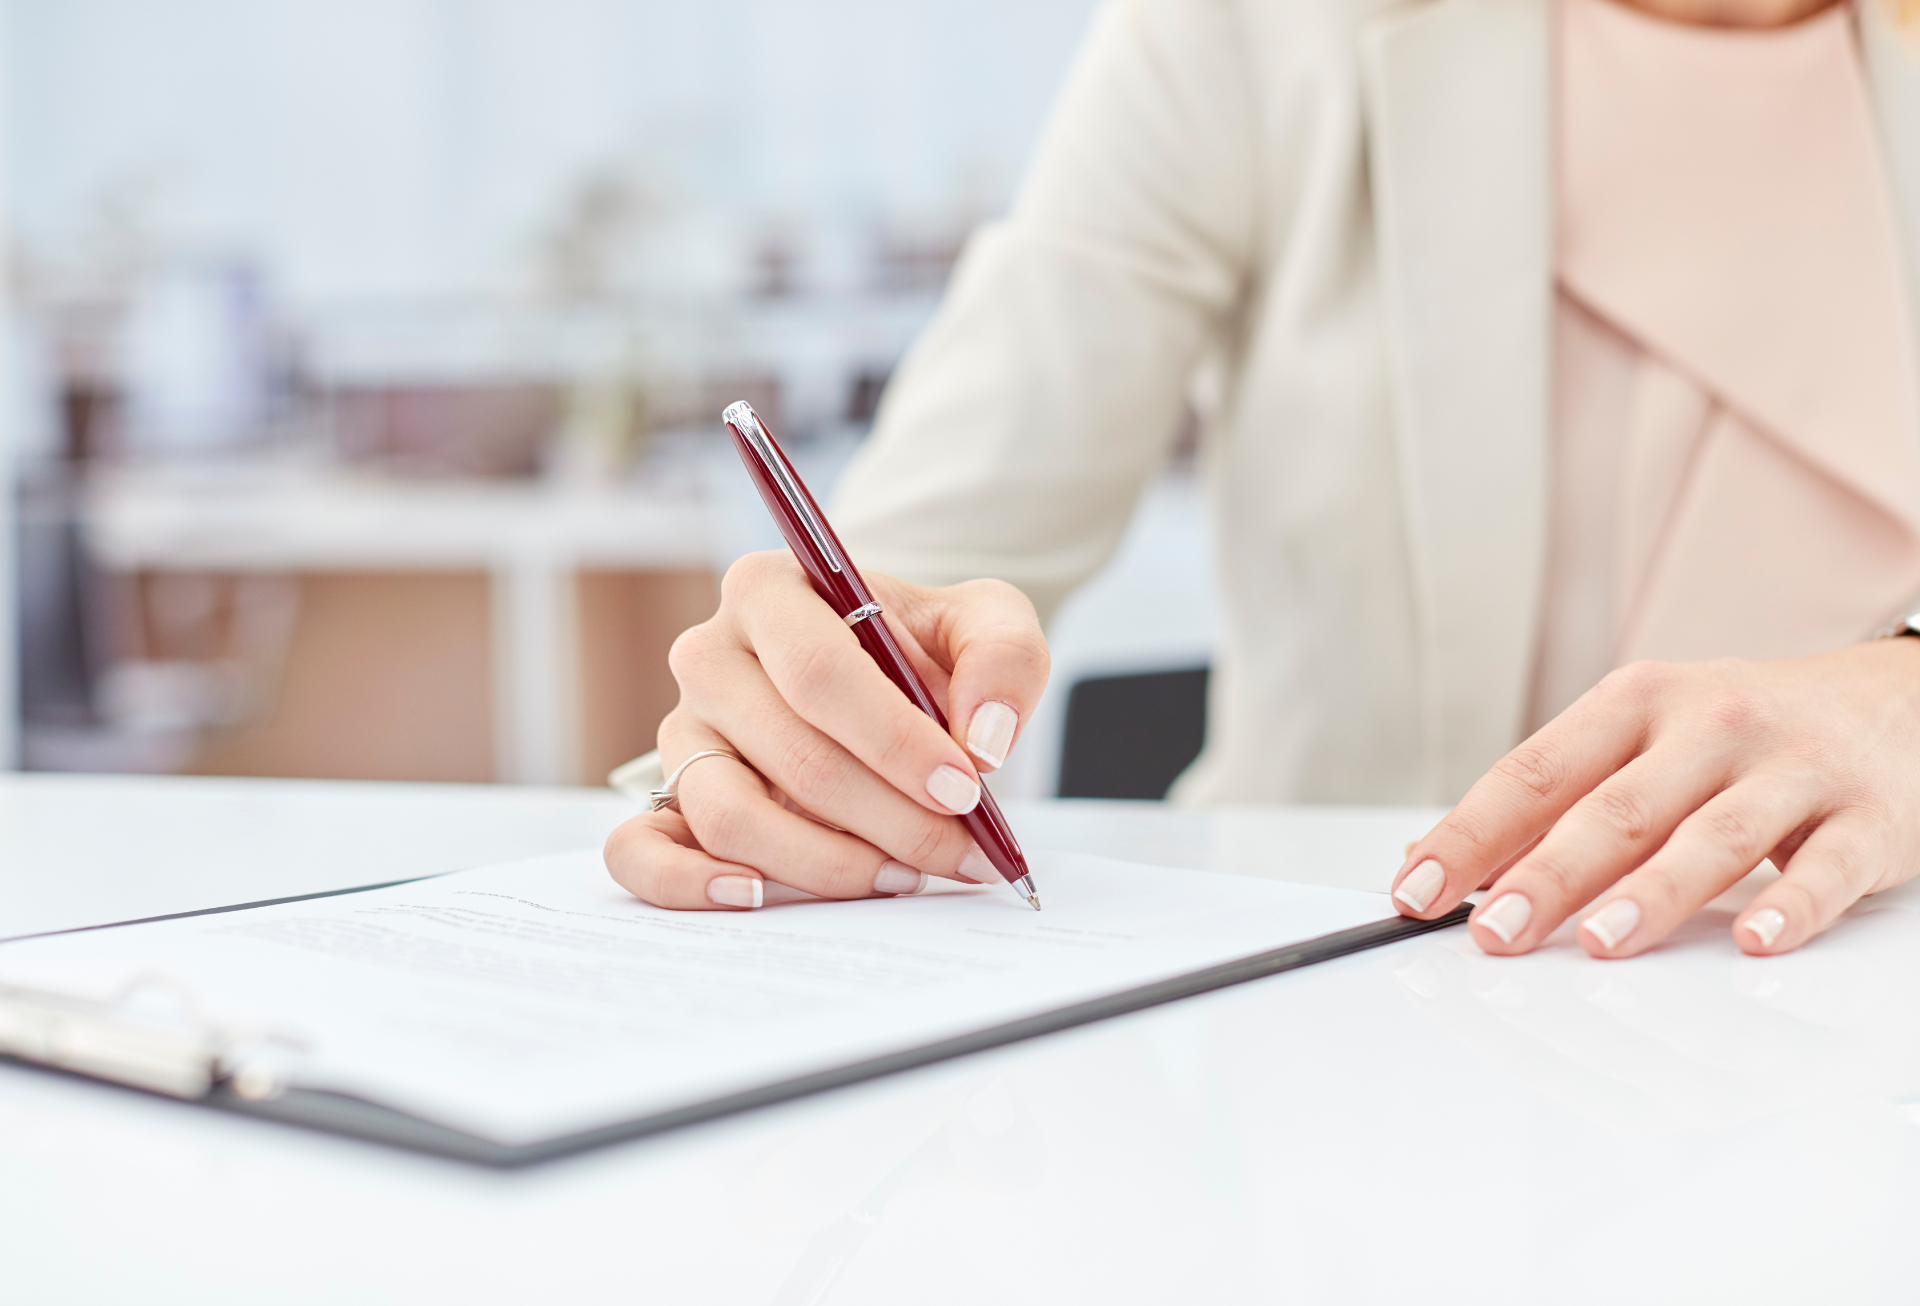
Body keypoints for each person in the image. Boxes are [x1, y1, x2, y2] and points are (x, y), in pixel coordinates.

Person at [605, 0, 1920, 961]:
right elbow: (924, 547)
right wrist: (788, 720)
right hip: (1331, 1032)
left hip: (1846, 1011)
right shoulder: (1255, 30)